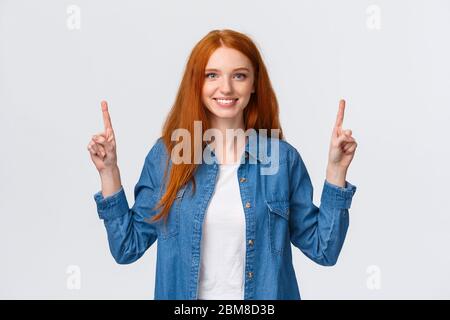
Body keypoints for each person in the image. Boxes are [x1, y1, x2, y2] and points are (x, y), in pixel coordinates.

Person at [87, 29, 358, 300]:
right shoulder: (167, 157)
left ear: (254, 84)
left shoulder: (281, 160)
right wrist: (109, 171)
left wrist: (336, 170)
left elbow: (324, 249)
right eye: (212, 75)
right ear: (196, 83)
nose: (226, 87)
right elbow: (127, 248)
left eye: (239, 75)